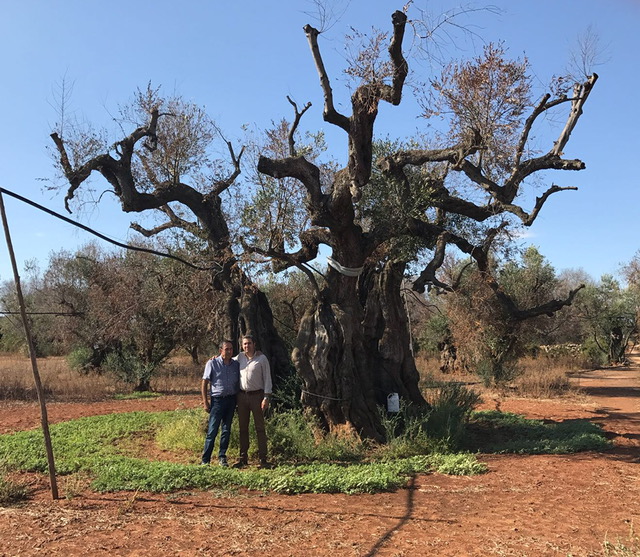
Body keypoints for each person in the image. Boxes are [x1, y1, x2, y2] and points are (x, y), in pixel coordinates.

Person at [234, 334, 272, 469]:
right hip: (242, 396)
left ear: (254, 344)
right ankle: (243, 458)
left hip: (257, 396)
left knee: (260, 428)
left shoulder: (261, 359)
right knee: (243, 428)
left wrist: (266, 397)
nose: (247, 346)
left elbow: (267, 378)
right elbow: (225, 359)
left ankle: (263, 459)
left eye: (249, 343)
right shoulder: (239, 358)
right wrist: (215, 358)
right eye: (244, 344)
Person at [200, 339, 240, 467]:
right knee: (212, 431)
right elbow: (205, 382)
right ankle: (205, 460)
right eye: (226, 349)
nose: (229, 351)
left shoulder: (236, 364)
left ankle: (222, 457)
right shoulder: (212, 363)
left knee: (226, 430)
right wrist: (205, 402)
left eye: (231, 349)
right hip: (217, 401)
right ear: (220, 350)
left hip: (231, 400)